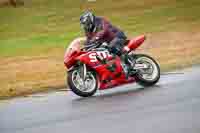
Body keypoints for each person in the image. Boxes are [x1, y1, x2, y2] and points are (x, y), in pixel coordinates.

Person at [80, 11, 133, 76]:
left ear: (89, 20)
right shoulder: (88, 30)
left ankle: (129, 64)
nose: (85, 25)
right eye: (83, 24)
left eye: (85, 23)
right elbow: (88, 39)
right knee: (97, 53)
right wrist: (85, 47)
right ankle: (111, 68)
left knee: (111, 47)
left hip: (117, 36)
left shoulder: (101, 20)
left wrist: (96, 38)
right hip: (106, 42)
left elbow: (104, 30)